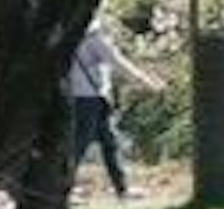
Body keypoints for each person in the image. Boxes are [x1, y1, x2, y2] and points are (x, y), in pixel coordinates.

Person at [64, 16, 157, 199]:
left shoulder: (71, 36)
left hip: (81, 96)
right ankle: (62, 190)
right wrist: (146, 82)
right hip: (91, 98)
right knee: (80, 146)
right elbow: (118, 62)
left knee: (109, 143)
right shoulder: (95, 39)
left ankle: (121, 188)